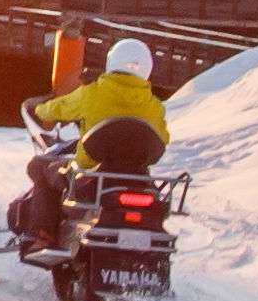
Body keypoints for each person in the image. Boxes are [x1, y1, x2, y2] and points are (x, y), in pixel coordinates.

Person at [11, 35, 168, 252]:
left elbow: (58, 108)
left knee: (43, 171)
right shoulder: (155, 106)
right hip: (138, 180)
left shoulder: (91, 94)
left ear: (112, 63)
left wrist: (39, 109)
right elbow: (163, 140)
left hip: (91, 176)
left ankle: (44, 234)